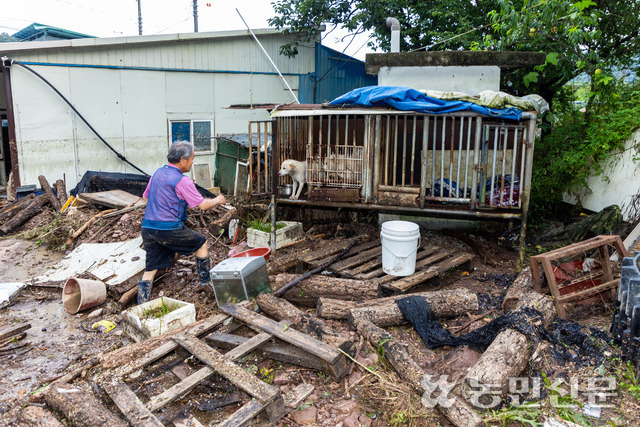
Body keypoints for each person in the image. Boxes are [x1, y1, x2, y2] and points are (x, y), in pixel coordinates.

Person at [138, 141, 226, 304]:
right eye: (192, 158)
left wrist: (159, 210)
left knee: (150, 269)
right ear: (183, 160)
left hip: (148, 228)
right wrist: (219, 199)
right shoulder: (182, 180)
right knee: (201, 244)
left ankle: (141, 305)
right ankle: (206, 284)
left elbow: (145, 197)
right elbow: (203, 205)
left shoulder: (157, 173)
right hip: (169, 228)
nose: (192, 162)